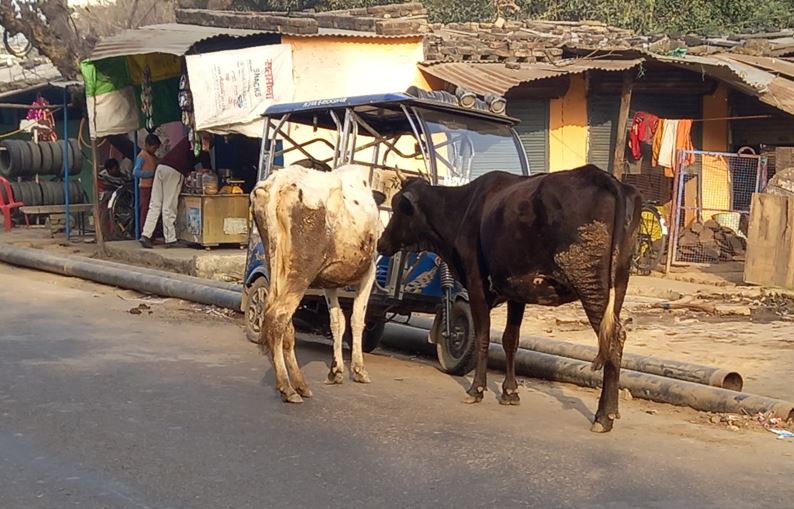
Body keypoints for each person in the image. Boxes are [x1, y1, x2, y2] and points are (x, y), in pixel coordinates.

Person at [140, 132, 213, 249]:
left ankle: (146, 235)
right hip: (174, 171)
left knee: (155, 204)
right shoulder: (201, 145)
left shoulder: (189, 138)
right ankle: (170, 239)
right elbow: (207, 167)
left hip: (161, 167)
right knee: (169, 206)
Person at [132, 134, 162, 235]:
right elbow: (136, 172)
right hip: (145, 187)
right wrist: (151, 174)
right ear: (147, 145)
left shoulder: (153, 156)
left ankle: (151, 234)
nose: (155, 151)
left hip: (153, 187)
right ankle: (143, 232)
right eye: (154, 148)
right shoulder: (142, 156)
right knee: (145, 211)